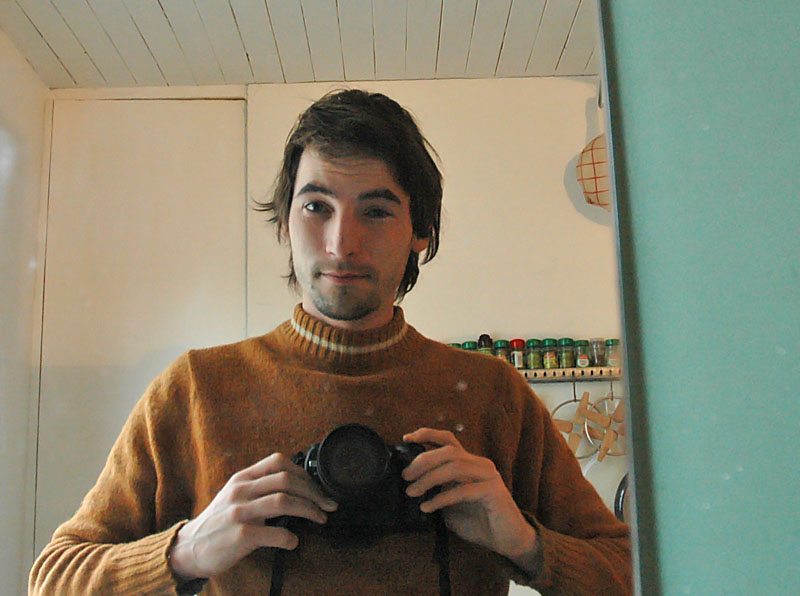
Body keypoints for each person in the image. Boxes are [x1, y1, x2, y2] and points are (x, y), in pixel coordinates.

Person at [29, 89, 632, 596]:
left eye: (376, 211)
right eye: (317, 206)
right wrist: (188, 550)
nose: (342, 243)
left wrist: (523, 543)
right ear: (285, 222)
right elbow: (52, 578)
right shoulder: (195, 390)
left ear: (420, 231)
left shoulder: (492, 393)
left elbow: (638, 571)